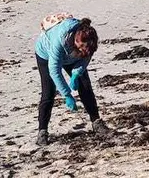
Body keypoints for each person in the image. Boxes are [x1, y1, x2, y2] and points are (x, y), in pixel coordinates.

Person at [34, 17, 110, 146]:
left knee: (85, 86)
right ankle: (42, 132)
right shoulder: (59, 41)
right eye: (81, 47)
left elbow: (85, 58)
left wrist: (76, 74)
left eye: (85, 50)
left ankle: (96, 122)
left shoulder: (89, 43)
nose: (83, 51)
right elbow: (55, 71)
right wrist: (67, 95)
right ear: (76, 40)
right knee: (48, 93)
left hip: (72, 57)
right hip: (46, 55)